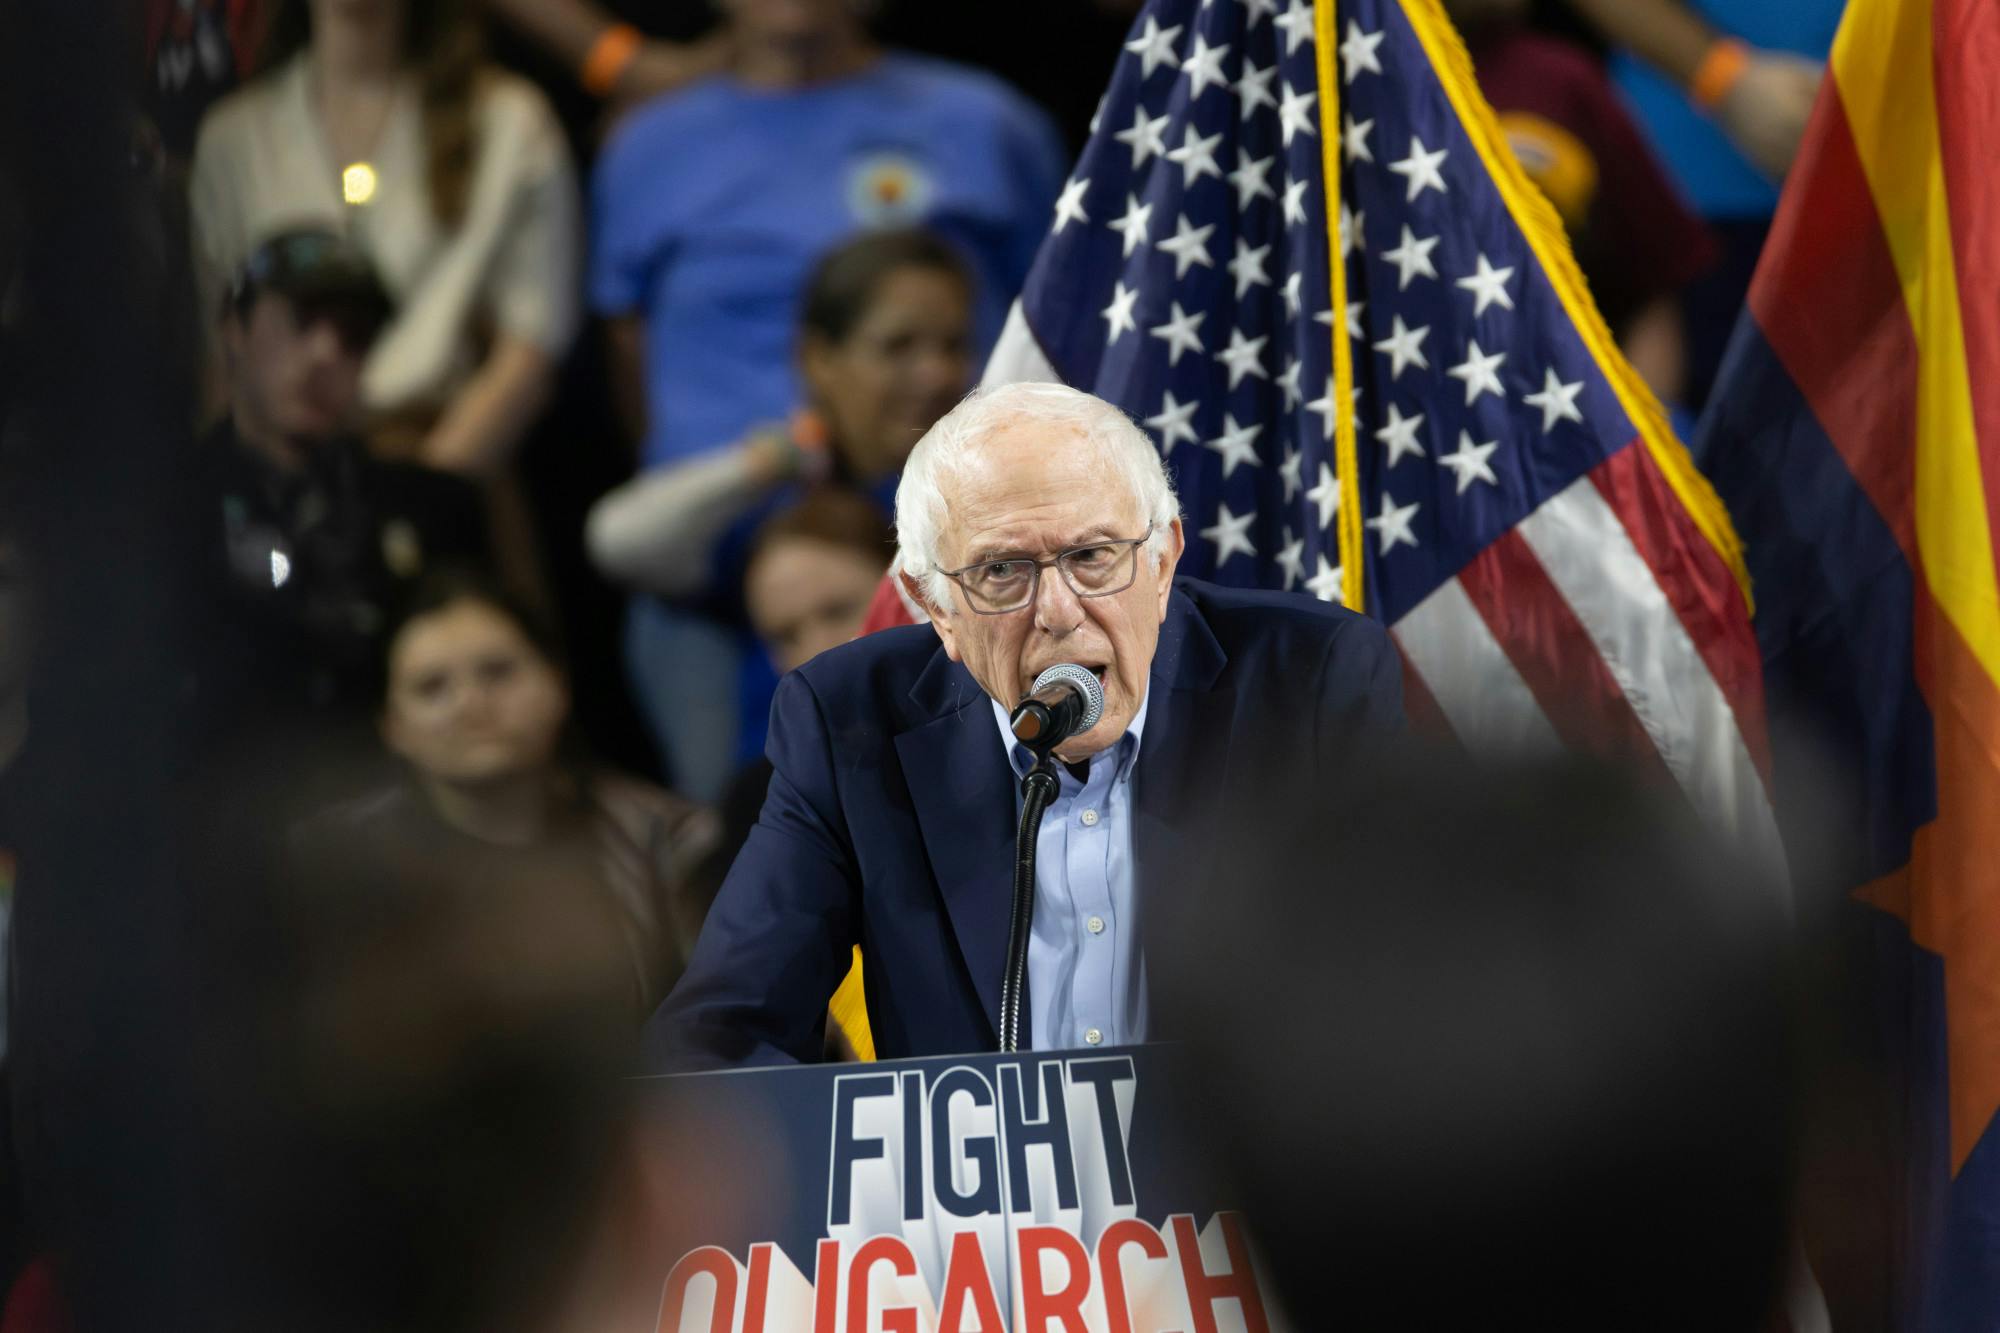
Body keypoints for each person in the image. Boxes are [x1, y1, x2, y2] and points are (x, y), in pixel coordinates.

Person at [643, 382, 1406, 1071]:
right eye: (1001, 571)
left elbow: (1398, 997)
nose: (1059, 611)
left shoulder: (1308, 684)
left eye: (1093, 555)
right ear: (935, 606)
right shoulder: (850, 723)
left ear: (1162, 562)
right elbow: (717, 1041)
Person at [588, 226, 974, 801]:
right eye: (899, 346)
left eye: (954, 346)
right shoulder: (779, 502)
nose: (936, 373)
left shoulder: (985, 490)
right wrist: (775, 458)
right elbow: (615, 541)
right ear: (818, 359)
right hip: (796, 791)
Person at [188, 0, 580, 481]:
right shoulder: (233, 139)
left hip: (437, 469)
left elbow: (529, 355)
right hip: (275, 479)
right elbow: (220, 361)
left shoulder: (509, 122)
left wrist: (415, 492)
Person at [313, 570, 716, 1020]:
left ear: (558, 684)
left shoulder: (668, 837)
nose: (471, 704)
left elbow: (721, 1021)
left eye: (498, 672)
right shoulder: (332, 866)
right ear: (392, 726)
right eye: (432, 688)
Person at [187, 227, 488, 744]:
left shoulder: (431, 506)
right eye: (301, 320)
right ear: (235, 327)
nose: (326, 352)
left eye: (355, 336)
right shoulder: (164, 510)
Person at [1448, 0, 1716, 407]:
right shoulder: (1360, 92)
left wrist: (1649, 421)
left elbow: (1653, 288)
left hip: (1584, 410)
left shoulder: (1561, 81)